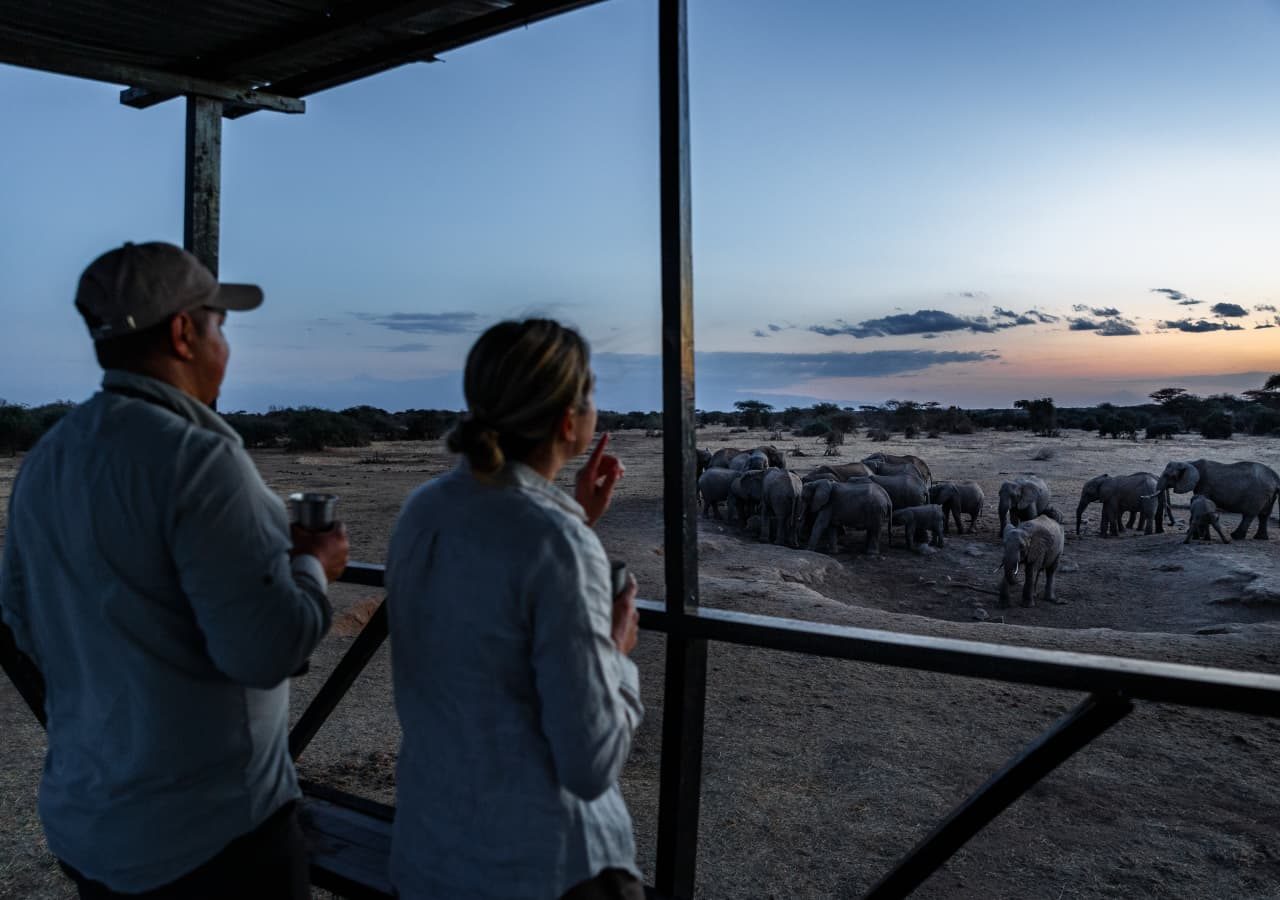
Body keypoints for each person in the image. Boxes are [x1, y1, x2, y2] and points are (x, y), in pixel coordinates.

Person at [0, 241, 349, 899]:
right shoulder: (198, 459)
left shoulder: (48, 457)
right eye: (219, 324)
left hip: (91, 822)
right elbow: (268, 647)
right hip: (209, 840)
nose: (226, 344)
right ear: (185, 333)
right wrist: (313, 563)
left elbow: (21, 621)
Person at [386, 318, 644, 900]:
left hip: (431, 852)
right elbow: (590, 764)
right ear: (567, 420)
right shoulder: (553, 541)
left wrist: (571, 512)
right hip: (545, 868)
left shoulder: (423, 509)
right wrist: (617, 649)